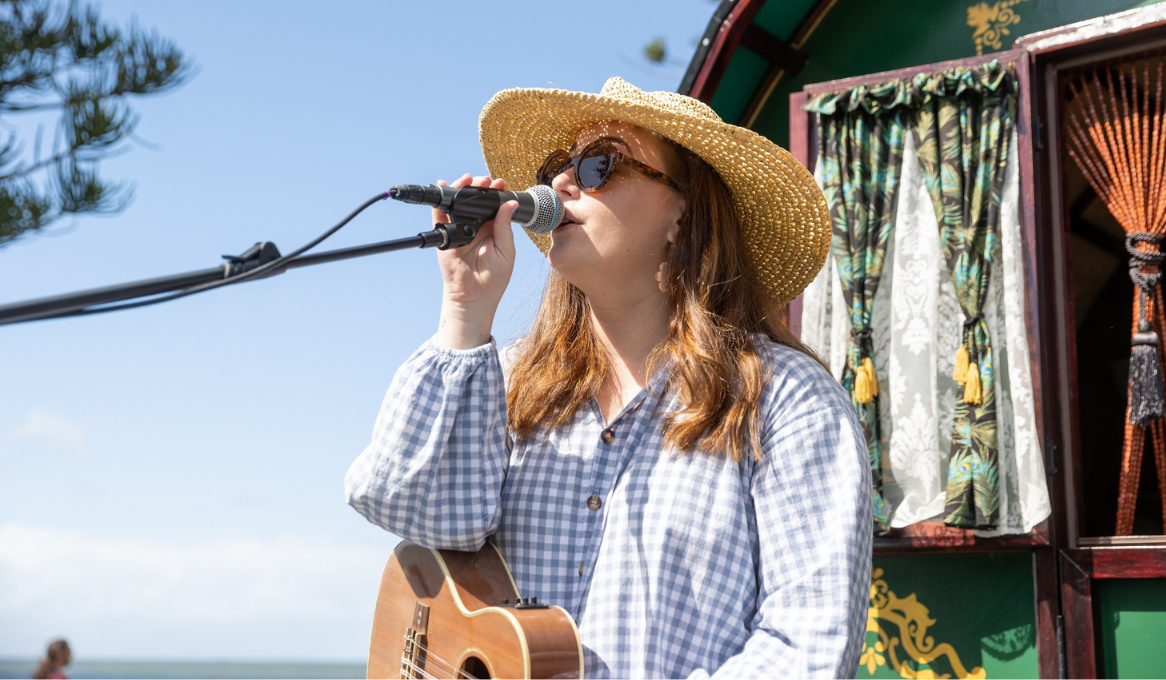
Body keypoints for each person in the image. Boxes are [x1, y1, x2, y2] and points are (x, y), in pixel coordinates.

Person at [346, 77, 872, 678]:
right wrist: (465, 311)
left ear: (682, 213)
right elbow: (414, 518)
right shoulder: (509, 380)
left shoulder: (786, 400)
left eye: (601, 165)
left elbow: (808, 645)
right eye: (557, 166)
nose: (562, 184)